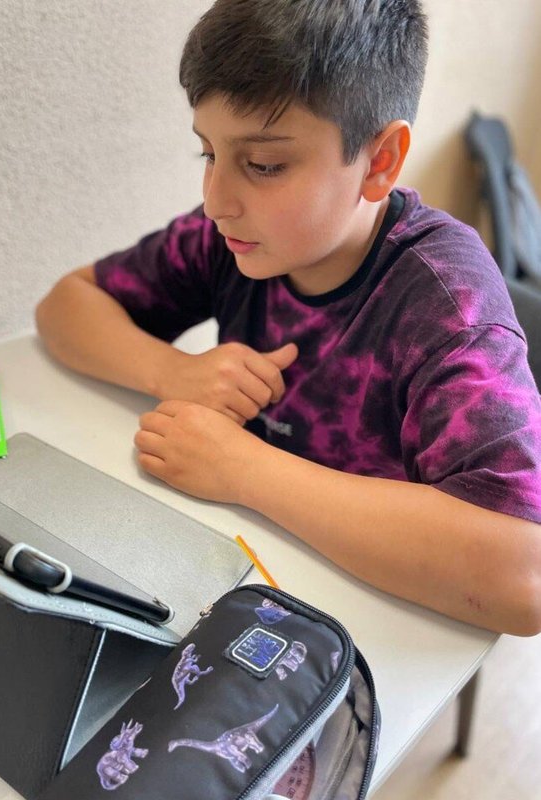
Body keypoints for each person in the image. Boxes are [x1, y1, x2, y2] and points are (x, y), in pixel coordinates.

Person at [36, 0, 541, 636]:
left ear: (380, 161)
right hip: (244, 584)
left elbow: (522, 576)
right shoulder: (231, 238)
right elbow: (65, 306)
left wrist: (244, 470)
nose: (215, 202)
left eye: (264, 165)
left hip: (372, 632)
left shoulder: (447, 303)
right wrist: (171, 372)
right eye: (208, 154)